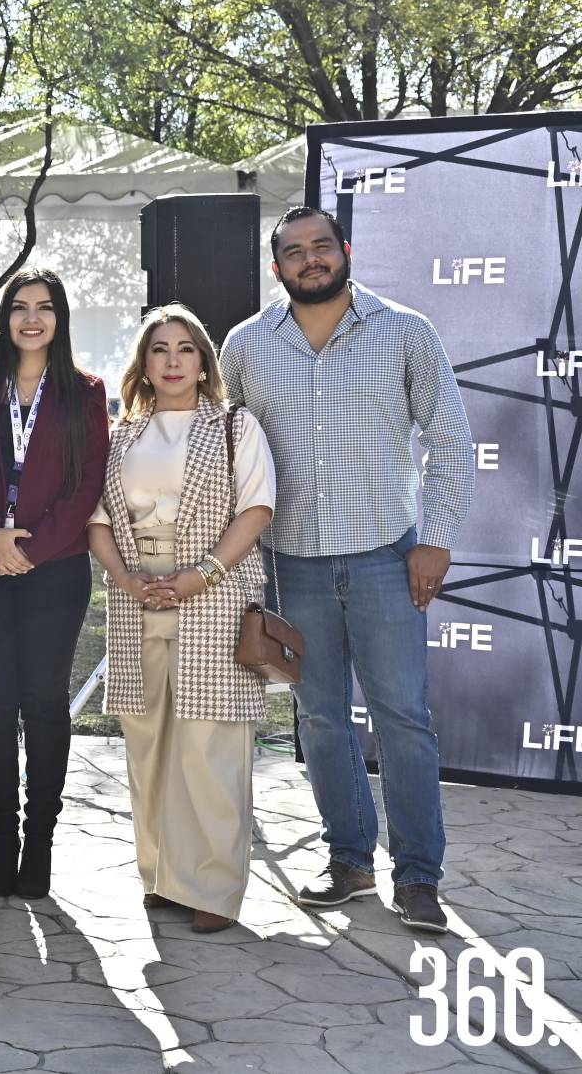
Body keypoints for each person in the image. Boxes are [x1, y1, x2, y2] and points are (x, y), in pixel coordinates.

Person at [220, 206, 473, 934]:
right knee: (322, 719)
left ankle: (420, 876)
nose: (309, 260)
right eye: (293, 252)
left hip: (386, 558)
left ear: (345, 251)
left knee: (403, 720)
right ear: (278, 268)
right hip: (290, 564)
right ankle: (349, 860)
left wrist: (438, 538)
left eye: (320, 247)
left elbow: (451, 439)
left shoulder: (405, 331)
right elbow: (219, 447)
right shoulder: (245, 345)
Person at [87, 304, 274, 933]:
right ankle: (164, 877)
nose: (171, 361)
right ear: (143, 363)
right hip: (137, 597)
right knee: (151, 746)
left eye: (185, 349)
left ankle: (214, 891)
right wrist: (126, 579)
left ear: (203, 361)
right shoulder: (122, 436)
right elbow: (98, 520)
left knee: (210, 748)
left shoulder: (234, 426)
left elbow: (256, 510)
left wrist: (200, 576)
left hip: (213, 595)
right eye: (159, 349)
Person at [0, 268, 108, 900]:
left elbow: (88, 483)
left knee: (44, 705)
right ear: (4, 318)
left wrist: (31, 551)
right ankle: (3, 839)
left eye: (44, 308)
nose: (31, 319)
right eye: (19, 307)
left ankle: (40, 843)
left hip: (56, 570)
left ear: (60, 317)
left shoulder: (85, 391)